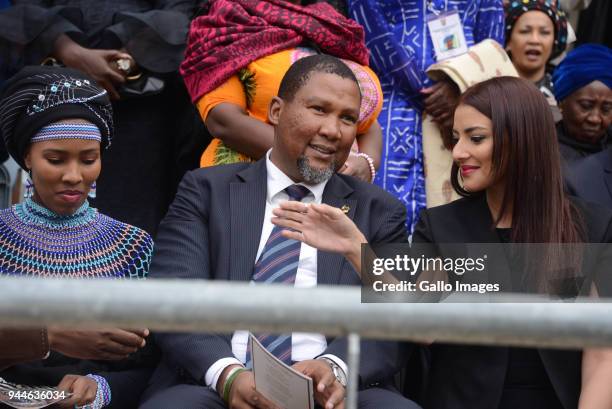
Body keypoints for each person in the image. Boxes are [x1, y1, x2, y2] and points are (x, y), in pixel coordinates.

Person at [273, 77, 612, 408]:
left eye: (475, 138)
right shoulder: (443, 225)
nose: (459, 151)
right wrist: (355, 247)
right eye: (456, 137)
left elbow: (602, 354)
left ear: (521, 139)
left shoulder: (592, 226)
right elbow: (422, 326)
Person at [139, 55, 419, 409]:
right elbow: (173, 297)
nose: (333, 130)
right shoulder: (206, 190)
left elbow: (401, 318)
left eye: (347, 118)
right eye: (319, 109)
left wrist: (335, 368)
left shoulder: (377, 210)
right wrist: (229, 376)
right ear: (275, 111)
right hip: (217, 386)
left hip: (334, 392)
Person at [0, 66, 156, 408]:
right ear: (27, 157)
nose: (73, 176)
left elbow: (155, 364)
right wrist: (48, 334)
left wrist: (101, 388)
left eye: (89, 159)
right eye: (55, 160)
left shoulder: (133, 247)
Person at [0, 0, 207, 237]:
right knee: (53, 220)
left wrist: (124, 61)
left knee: (132, 229)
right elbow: (22, 9)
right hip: (57, 101)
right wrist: (68, 50)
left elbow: (183, 10)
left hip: (143, 110)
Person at [182, 0, 383, 183]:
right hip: (247, 186)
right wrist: (318, 157)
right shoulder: (225, 19)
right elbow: (224, 121)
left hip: (333, 191)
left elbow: (366, 122)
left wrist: (366, 163)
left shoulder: (333, 24)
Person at [347, 0, 504, 233]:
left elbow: (492, 45)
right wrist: (431, 91)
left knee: (460, 230)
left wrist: (460, 87)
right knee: (383, 224)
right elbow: (372, 32)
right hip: (393, 108)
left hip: (462, 114)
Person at [552, 44, 612, 163]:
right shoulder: (539, 151)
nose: (595, 119)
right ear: (561, 102)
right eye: (586, 106)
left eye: (606, 109)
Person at [504, 0, 568, 103]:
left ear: (555, 41)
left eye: (544, 32)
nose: (535, 40)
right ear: (508, 41)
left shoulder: (565, 94)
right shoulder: (487, 90)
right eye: (525, 31)